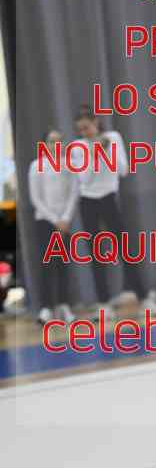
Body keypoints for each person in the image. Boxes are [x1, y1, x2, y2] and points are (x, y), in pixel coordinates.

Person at [72, 108, 156, 319]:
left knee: (125, 248)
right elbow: (84, 179)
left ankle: (144, 299)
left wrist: (106, 150)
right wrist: (94, 154)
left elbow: (123, 169)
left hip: (109, 198)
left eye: (87, 127)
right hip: (88, 201)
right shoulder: (77, 147)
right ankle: (103, 304)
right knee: (96, 253)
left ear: (96, 122)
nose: (84, 132)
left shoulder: (113, 138)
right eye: (80, 129)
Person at [29, 129, 77, 324]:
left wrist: (65, 218)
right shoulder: (36, 166)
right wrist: (54, 219)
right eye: (51, 141)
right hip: (45, 221)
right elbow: (36, 198)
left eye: (59, 141)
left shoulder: (70, 164)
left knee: (63, 264)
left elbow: (73, 192)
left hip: (64, 223)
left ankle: (64, 305)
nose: (56, 145)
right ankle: (46, 308)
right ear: (44, 145)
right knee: (47, 264)